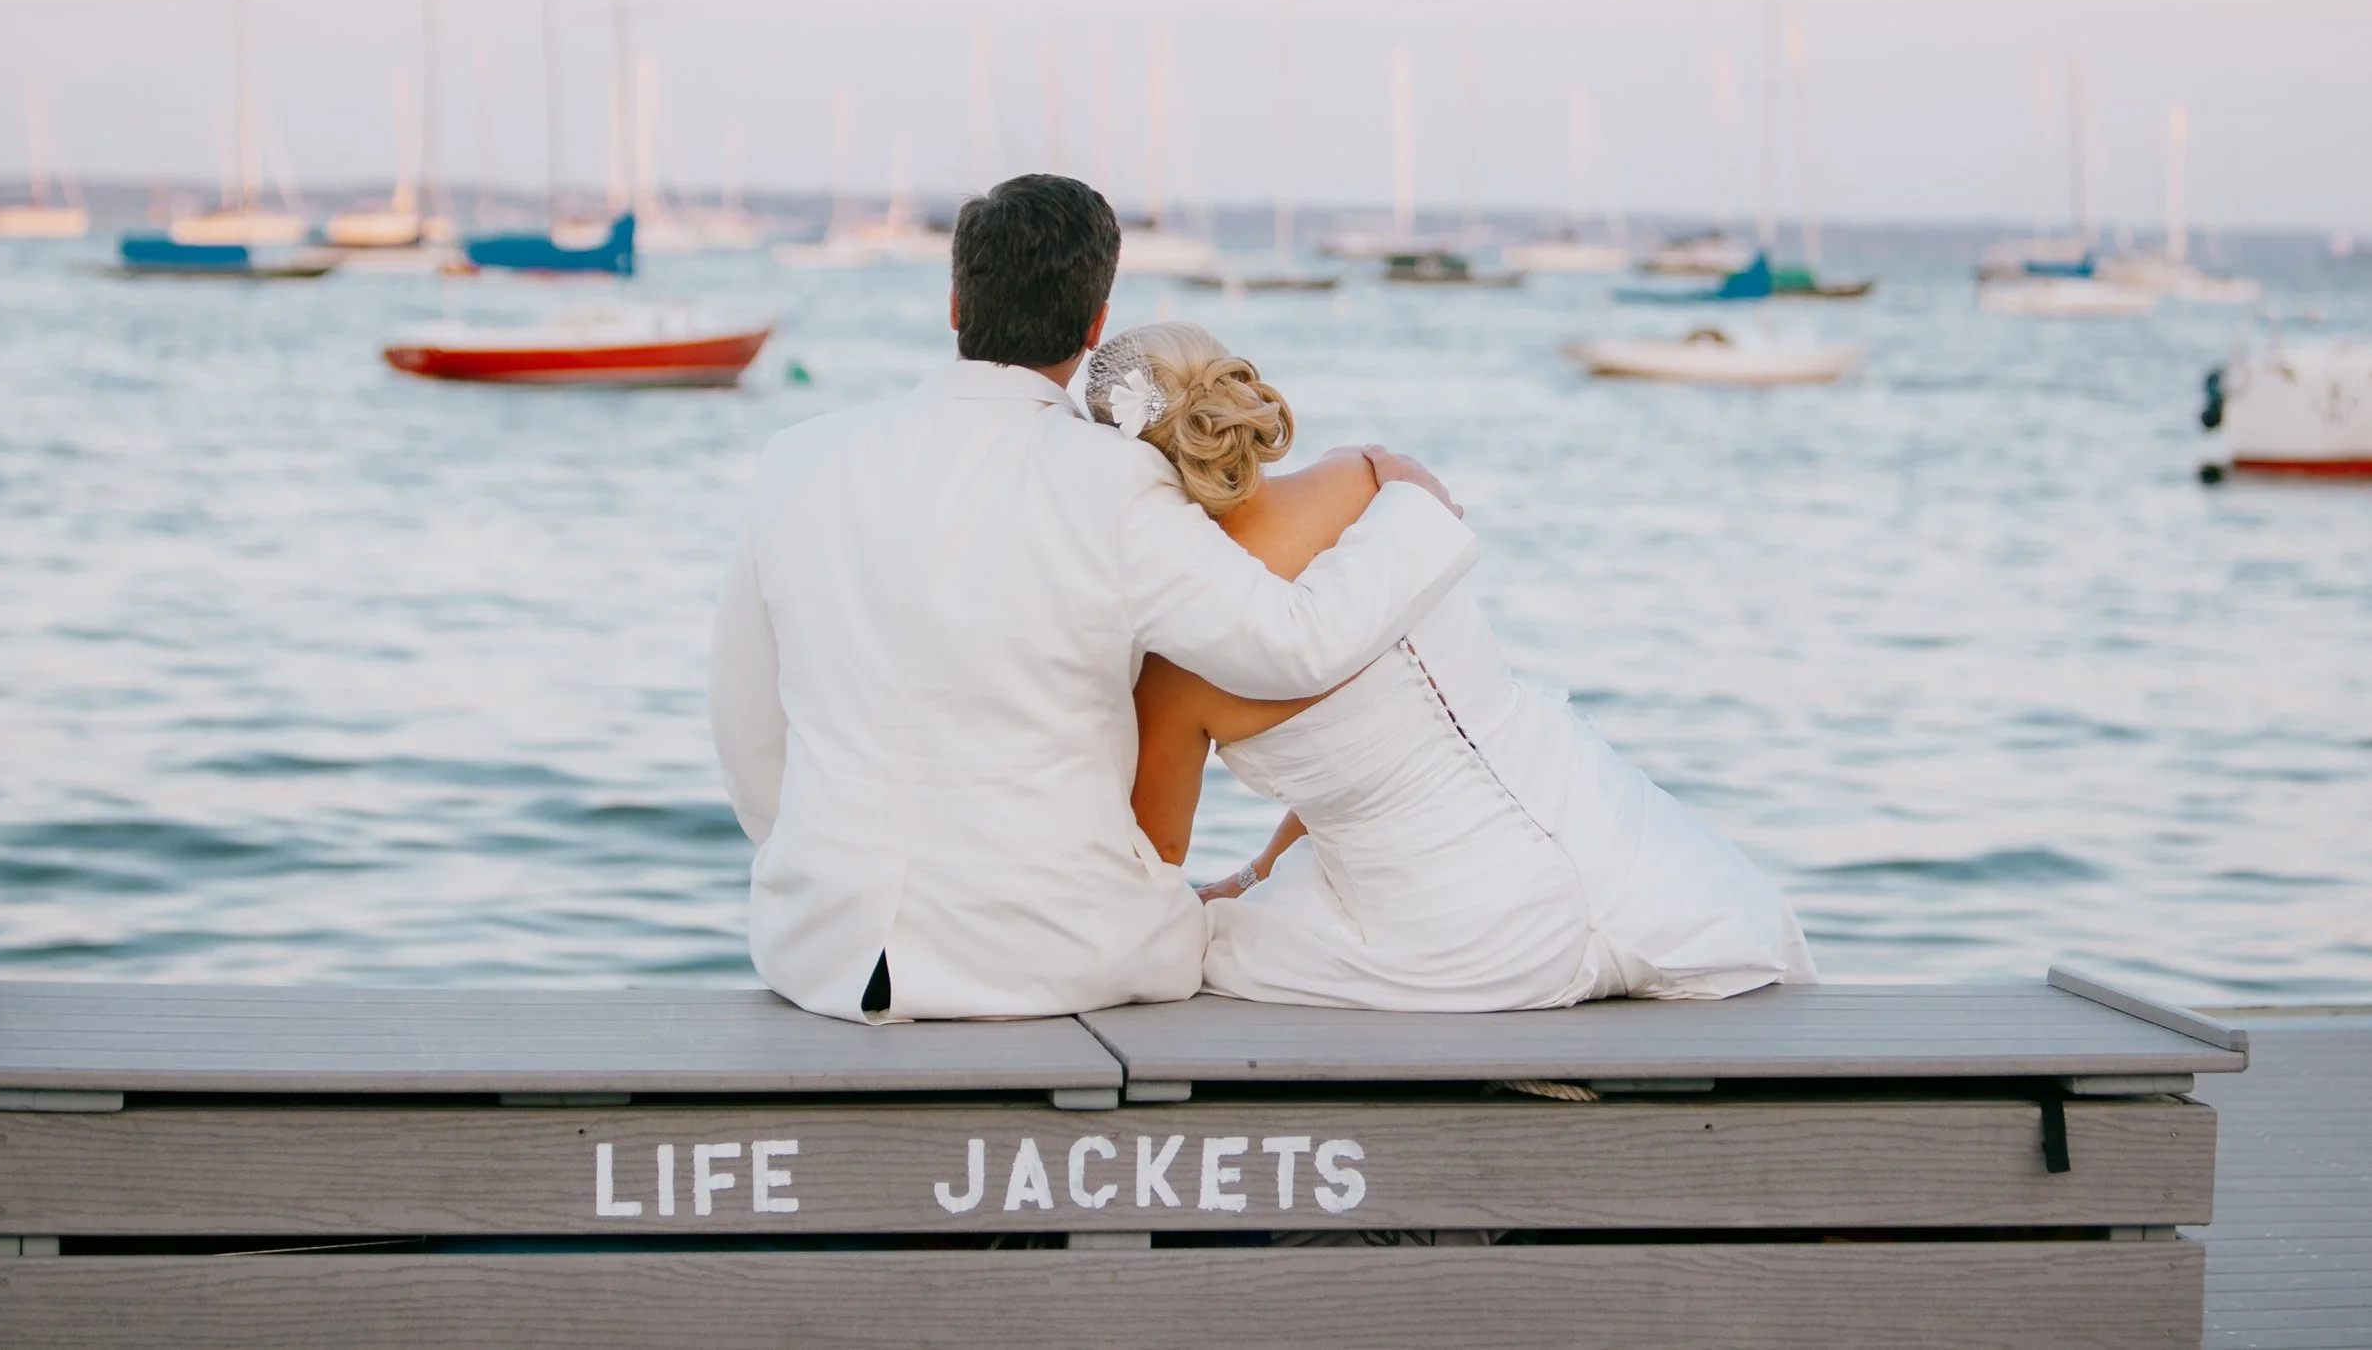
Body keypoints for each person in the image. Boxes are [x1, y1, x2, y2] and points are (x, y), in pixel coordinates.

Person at [709, 177, 1477, 1022]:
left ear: (956, 303)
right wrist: (1414, 509)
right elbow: (1294, 645)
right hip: (1059, 959)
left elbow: (749, 733)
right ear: (1095, 324)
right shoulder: (1117, 482)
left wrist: (829, 878)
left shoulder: (797, 460)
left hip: (823, 957)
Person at [1109, 321, 1816, 1011]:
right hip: (1618, 849)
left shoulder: (1177, 662)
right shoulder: (1367, 479)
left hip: (1459, 935)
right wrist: (1265, 868)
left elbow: (1152, 865)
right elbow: (1386, 732)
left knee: (1208, 940)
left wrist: (1246, 882)